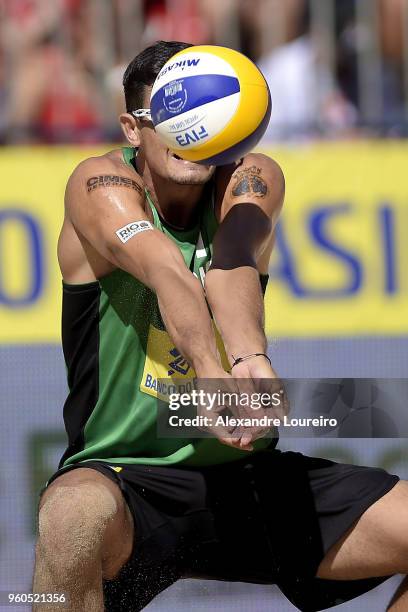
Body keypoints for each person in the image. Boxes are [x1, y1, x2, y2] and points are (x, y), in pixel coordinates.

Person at [33, 40, 408, 612]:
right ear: (133, 129)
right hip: (129, 479)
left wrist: (249, 358)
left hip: (247, 477)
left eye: (206, 117)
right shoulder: (99, 185)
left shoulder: (251, 173)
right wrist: (210, 377)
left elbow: (230, 264)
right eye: (173, 119)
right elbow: (170, 275)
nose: (194, 134)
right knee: (69, 515)